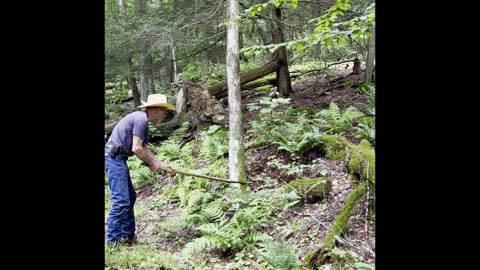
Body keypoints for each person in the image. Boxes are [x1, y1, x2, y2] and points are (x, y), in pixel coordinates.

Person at [105, 94, 176, 246]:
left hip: (118, 158)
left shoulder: (141, 120)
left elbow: (144, 148)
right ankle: (112, 242)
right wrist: (152, 164)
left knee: (130, 197)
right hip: (113, 157)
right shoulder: (141, 119)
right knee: (121, 200)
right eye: (164, 112)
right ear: (157, 109)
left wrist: (161, 164)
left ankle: (128, 236)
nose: (164, 116)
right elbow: (136, 148)